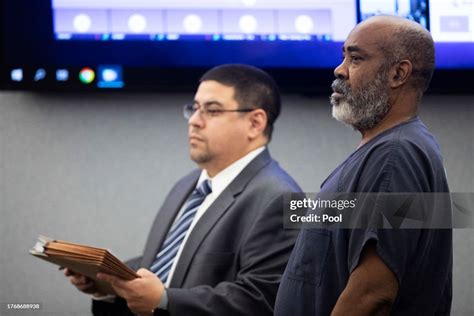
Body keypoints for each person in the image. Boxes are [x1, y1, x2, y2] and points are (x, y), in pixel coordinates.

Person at [65, 64, 301, 316]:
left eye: (212, 110)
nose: (195, 122)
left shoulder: (281, 198)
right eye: (195, 108)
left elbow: (261, 300)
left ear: (255, 123)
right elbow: (169, 268)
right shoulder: (189, 184)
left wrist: (165, 300)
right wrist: (107, 282)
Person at [275, 15, 452, 315]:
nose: (339, 70)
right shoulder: (387, 149)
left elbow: (372, 295)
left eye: (355, 58)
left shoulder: (396, 155)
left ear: (398, 74)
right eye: (343, 56)